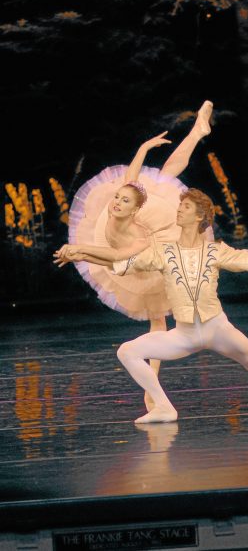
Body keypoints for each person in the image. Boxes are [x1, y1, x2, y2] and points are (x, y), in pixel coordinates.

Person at [55, 188, 248, 424]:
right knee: (127, 351)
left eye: (185, 207)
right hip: (185, 334)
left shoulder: (215, 251)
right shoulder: (164, 252)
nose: (179, 210)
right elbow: (121, 264)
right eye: (180, 205)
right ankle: (164, 408)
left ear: (199, 216)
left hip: (217, 328)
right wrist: (80, 253)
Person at [57, 102, 213, 410]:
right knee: (163, 176)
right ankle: (197, 132)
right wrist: (144, 148)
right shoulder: (120, 203)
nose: (115, 202)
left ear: (134, 209)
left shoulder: (135, 235)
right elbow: (130, 178)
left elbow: (116, 256)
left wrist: (80, 250)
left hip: (150, 250)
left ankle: (151, 385)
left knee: (157, 319)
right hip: (132, 243)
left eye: (123, 200)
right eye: (116, 197)